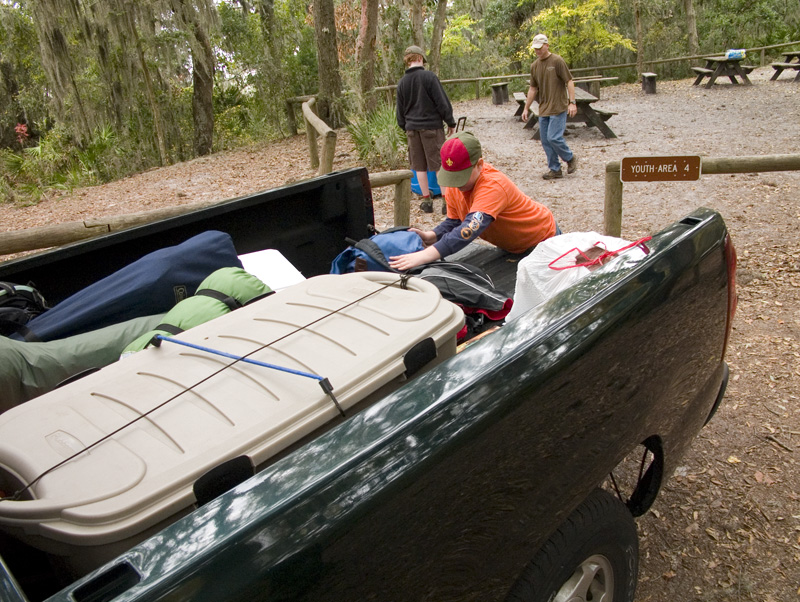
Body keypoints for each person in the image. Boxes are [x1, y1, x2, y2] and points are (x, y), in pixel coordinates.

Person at [388, 131, 558, 272]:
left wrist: (423, 256)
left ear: (479, 164)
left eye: (461, 176)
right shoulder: (456, 185)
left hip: (541, 239)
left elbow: (468, 229)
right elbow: (454, 221)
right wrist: (432, 236)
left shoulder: (493, 186)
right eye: (452, 176)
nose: (456, 183)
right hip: (511, 246)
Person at [396, 45, 456, 214]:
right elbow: (442, 103)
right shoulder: (429, 77)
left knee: (419, 167)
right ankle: (446, 202)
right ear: (421, 58)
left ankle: (427, 202)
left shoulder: (402, 83)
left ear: (408, 61)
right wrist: (450, 122)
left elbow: (399, 113)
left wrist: (406, 127)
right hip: (431, 128)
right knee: (439, 165)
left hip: (412, 130)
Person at [521, 34, 578, 180]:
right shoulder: (534, 66)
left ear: (546, 45)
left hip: (558, 106)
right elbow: (533, 89)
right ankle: (555, 169)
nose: (538, 51)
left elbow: (569, 81)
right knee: (546, 140)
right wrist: (526, 108)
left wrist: (572, 102)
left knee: (554, 137)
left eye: (540, 48)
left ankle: (570, 158)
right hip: (544, 108)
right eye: (536, 49)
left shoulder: (557, 61)